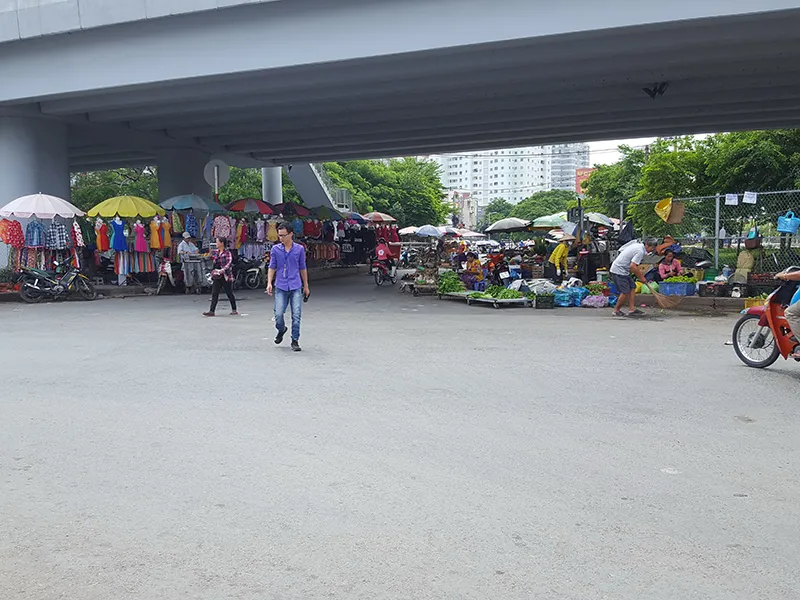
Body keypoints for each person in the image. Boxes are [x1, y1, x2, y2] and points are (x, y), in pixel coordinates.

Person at [267, 222, 310, 352]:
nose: (281, 238)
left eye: (283, 235)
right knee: (278, 314)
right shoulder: (275, 250)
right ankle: (281, 329)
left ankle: (295, 340)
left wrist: (306, 286)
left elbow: (302, 268)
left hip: (295, 285)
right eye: (279, 235)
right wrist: (269, 283)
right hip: (281, 285)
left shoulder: (299, 249)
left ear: (291, 234)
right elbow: (272, 267)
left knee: (296, 315)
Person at [610, 237, 658, 317]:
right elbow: (633, 267)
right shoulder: (640, 251)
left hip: (624, 270)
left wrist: (640, 276)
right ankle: (616, 310)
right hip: (618, 270)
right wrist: (641, 277)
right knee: (625, 291)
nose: (652, 250)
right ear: (646, 245)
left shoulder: (638, 246)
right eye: (652, 248)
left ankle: (631, 309)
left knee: (632, 287)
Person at [203, 237, 238, 317]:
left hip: (225, 275)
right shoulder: (216, 252)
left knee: (229, 293)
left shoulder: (227, 253)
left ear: (222, 243)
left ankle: (234, 309)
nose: (216, 244)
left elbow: (229, 264)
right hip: (217, 275)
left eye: (217, 242)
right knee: (214, 293)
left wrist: (222, 270)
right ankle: (212, 311)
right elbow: (214, 262)